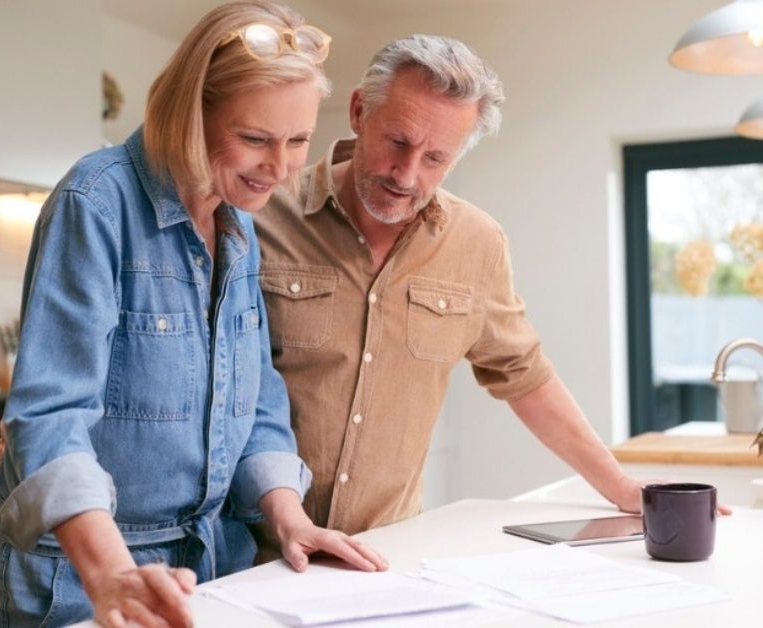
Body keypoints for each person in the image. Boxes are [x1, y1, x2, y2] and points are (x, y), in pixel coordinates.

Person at [0, 3, 385, 627]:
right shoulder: (95, 203)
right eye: (254, 139)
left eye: (298, 140)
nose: (280, 168)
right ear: (188, 114)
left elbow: (254, 403)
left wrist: (290, 518)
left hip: (211, 560)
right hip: (84, 573)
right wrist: (112, 574)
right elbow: (51, 415)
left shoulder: (238, 228)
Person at [253, 34, 730, 541]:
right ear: (357, 111)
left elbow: (525, 376)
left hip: (385, 548)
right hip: (250, 551)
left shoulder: (476, 244)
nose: (407, 174)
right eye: (398, 141)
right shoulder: (261, 214)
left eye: (436, 158)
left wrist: (620, 485)